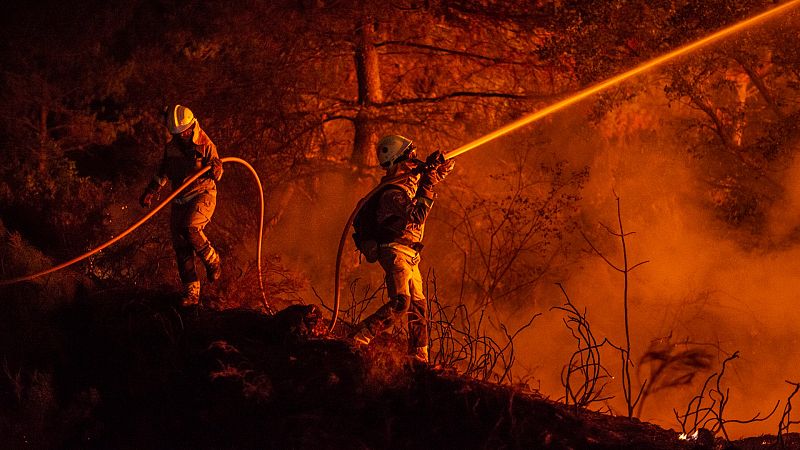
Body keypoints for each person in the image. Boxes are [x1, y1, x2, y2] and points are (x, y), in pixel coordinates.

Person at [349, 134, 455, 363]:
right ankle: (359, 337)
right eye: (412, 157)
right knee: (401, 302)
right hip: (395, 251)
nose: (415, 162)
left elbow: (419, 193)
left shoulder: (404, 187)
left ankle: (419, 356)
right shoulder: (391, 194)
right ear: (399, 161)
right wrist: (429, 182)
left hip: (411, 254)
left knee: (418, 306)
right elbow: (417, 215)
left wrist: (436, 171)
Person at [139, 105, 224, 306]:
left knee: (191, 228)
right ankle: (192, 294)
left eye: (185, 132)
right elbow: (163, 172)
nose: (183, 136)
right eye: (178, 134)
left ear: (192, 125)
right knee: (181, 246)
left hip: (202, 194)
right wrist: (150, 191)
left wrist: (216, 169)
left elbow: (218, 169)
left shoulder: (205, 144)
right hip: (179, 199)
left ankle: (213, 261)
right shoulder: (172, 147)